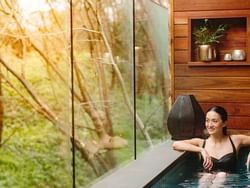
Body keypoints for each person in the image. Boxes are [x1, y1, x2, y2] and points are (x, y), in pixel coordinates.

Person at [172, 106, 250, 186]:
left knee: (221, 175)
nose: (209, 125)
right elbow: (176, 145)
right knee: (207, 176)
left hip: (230, 181)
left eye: (214, 121)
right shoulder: (202, 143)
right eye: (207, 120)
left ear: (224, 123)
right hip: (205, 181)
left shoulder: (235, 140)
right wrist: (201, 150)